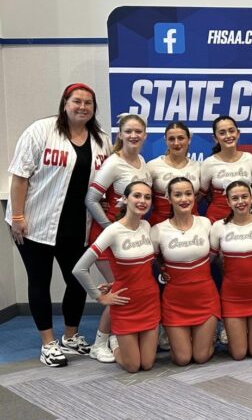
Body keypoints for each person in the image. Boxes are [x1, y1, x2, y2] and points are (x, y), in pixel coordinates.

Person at [6, 83, 111, 367]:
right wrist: (17, 217)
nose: (82, 107)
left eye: (88, 103)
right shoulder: (41, 131)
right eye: (76, 101)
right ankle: (48, 344)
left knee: (77, 280)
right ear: (65, 103)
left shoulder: (101, 139)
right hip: (34, 224)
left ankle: (70, 336)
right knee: (39, 281)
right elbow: (19, 176)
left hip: (77, 226)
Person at [84, 113, 152, 363]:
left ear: (145, 135)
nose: (133, 135)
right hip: (110, 236)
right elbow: (90, 199)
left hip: (129, 234)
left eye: (138, 131)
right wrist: (110, 228)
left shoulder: (142, 161)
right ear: (120, 135)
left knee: (125, 289)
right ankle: (99, 342)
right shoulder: (113, 163)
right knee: (120, 290)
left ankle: (116, 336)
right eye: (129, 131)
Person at [73, 181, 160, 373]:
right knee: (133, 366)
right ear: (125, 199)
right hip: (125, 305)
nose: (142, 201)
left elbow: (143, 266)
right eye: (137, 196)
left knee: (147, 364)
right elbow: (79, 268)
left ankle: (128, 342)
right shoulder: (112, 231)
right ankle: (114, 341)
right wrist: (100, 296)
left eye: (147, 197)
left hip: (149, 301)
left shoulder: (146, 226)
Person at [150, 177, 220, 366]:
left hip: (205, 298)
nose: (184, 199)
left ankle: (205, 338)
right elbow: (153, 261)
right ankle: (182, 339)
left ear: (194, 197)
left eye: (188, 194)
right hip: (175, 301)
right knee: (182, 359)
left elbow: (217, 254)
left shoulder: (205, 224)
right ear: (168, 198)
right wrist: (163, 271)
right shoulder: (158, 230)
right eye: (178, 194)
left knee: (201, 357)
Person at [210, 180, 252, 360]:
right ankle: (218, 336)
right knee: (238, 354)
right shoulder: (218, 227)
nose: (241, 202)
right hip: (232, 295)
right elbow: (210, 260)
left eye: (244, 196)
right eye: (235, 198)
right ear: (228, 202)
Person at [200, 116, 252, 223]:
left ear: (238, 133)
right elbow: (200, 197)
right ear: (215, 138)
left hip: (244, 219)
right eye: (222, 133)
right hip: (216, 220)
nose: (228, 136)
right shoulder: (208, 163)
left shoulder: (249, 158)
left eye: (231, 131)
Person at [147, 121, 201, 225]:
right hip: (160, 224)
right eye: (171, 139)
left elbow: (206, 196)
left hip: (192, 224)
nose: (176, 143)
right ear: (165, 141)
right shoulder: (152, 166)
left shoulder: (198, 166)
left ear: (189, 140)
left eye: (181, 138)